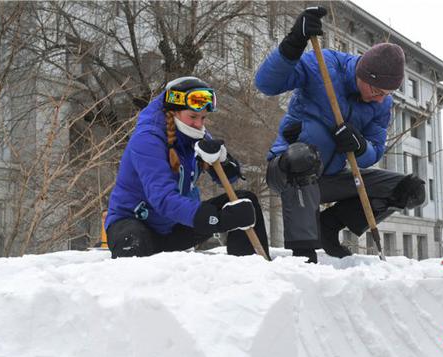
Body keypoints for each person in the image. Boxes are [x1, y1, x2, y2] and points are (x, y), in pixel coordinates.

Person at [255, 6, 426, 263]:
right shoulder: (322, 65)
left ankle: (329, 226)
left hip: (331, 179)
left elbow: (374, 151)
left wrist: (359, 146)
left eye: (386, 94)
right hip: (287, 170)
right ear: (362, 74)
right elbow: (266, 84)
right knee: (303, 158)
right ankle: (303, 255)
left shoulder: (382, 104)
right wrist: (294, 43)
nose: (379, 98)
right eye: (376, 90)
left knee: (409, 189)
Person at [105, 76, 270, 259]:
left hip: (172, 227)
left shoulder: (194, 132)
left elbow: (229, 179)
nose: (199, 124)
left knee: (245, 203)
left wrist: (224, 163)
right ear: (174, 111)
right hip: (136, 224)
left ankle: (252, 273)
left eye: (203, 118)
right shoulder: (147, 139)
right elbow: (163, 199)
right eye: (193, 116)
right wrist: (215, 219)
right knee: (132, 242)